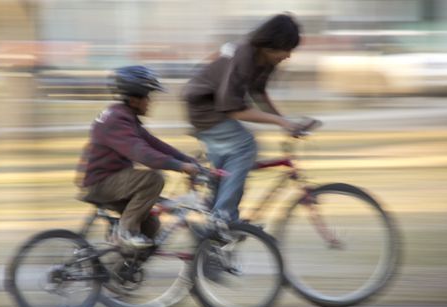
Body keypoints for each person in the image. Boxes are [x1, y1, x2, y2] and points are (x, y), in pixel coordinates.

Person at [183, 13, 304, 223]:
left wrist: (285, 121)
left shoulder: (266, 60)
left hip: (217, 108)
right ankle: (223, 217)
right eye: (286, 49)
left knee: (227, 169)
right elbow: (232, 108)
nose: (288, 56)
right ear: (270, 45)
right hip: (203, 108)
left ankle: (213, 227)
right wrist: (281, 122)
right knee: (245, 145)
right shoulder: (244, 56)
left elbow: (258, 93)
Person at [78, 66, 199, 248]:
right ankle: (125, 232)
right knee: (153, 179)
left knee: (150, 226)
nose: (150, 102)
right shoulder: (117, 120)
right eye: (148, 96)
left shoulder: (125, 117)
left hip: (111, 181)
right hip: (101, 183)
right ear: (134, 99)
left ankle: (120, 271)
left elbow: (154, 144)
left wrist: (188, 160)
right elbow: (144, 154)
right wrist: (181, 166)